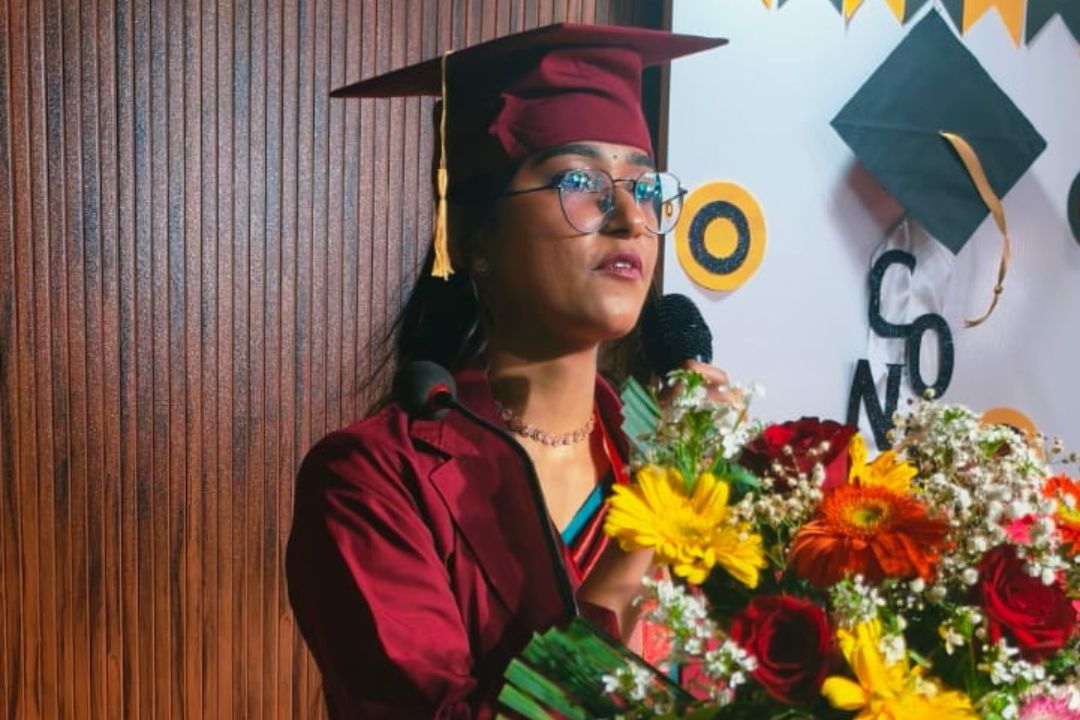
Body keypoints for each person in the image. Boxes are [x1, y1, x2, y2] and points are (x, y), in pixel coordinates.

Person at [285, 23, 726, 719]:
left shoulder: (658, 450)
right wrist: (644, 535)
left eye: (645, 187)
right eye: (579, 181)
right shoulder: (372, 482)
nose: (629, 219)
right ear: (471, 237)